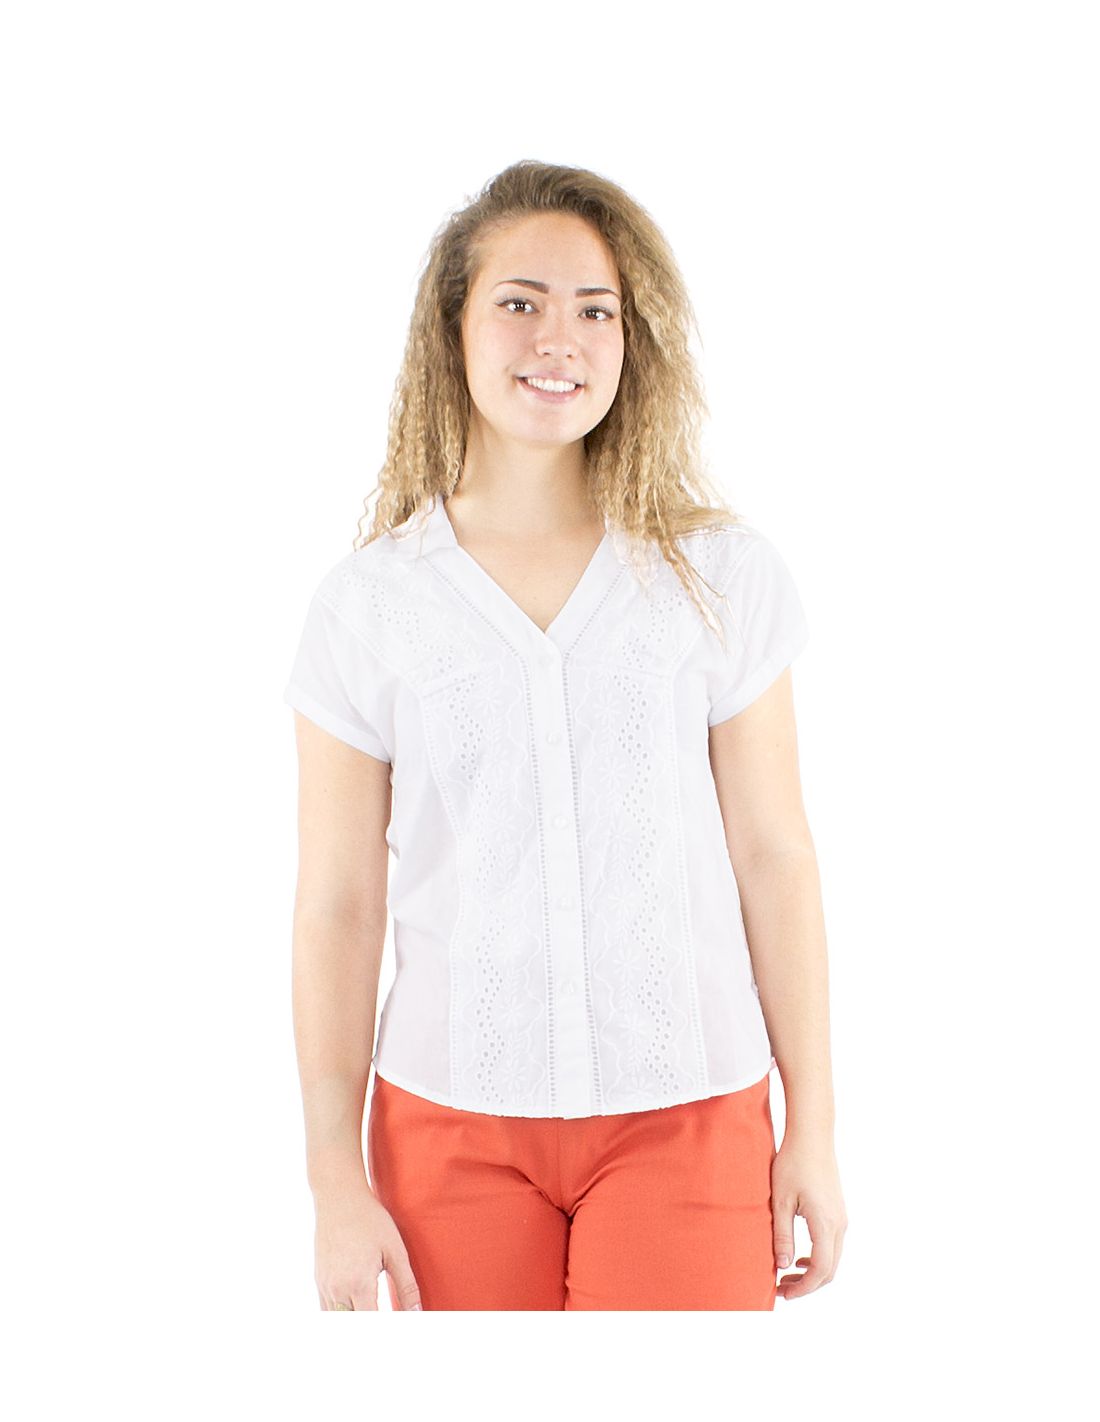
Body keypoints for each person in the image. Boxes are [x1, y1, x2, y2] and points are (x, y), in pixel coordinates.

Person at [283, 159, 847, 1311]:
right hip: (446, 1127)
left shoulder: (716, 579)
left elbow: (773, 858)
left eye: (596, 311)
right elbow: (337, 903)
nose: (560, 339)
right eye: (519, 302)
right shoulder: (366, 608)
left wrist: (815, 1127)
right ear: (452, 329)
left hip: (688, 1116)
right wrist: (333, 1178)